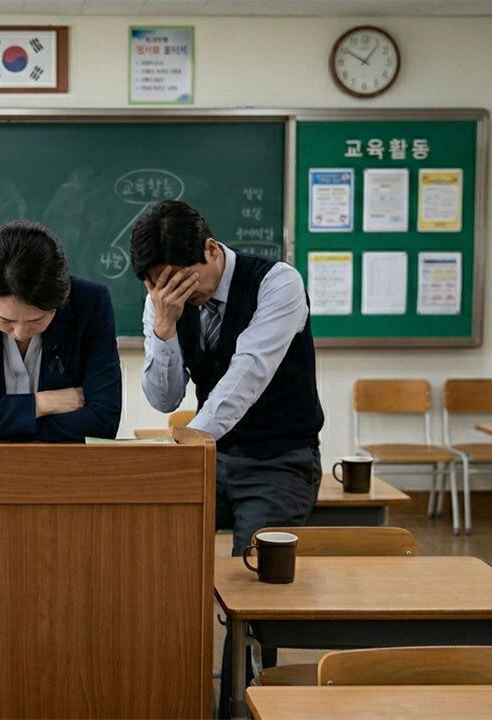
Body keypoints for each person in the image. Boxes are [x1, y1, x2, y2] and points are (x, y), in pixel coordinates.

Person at [129, 200, 324, 717]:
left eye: (176, 279)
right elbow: (164, 397)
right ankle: (165, 689)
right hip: (210, 457)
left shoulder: (277, 283)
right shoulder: (163, 301)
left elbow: (248, 374)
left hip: (279, 457)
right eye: (154, 285)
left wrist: (191, 437)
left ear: (211, 251)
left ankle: (240, 705)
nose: (168, 292)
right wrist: (165, 329)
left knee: (253, 594)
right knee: (149, 555)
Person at [0, 219, 121, 442]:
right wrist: (41, 403)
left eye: (36, 321)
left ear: (60, 303)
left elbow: (103, 423)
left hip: (64, 468)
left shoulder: (90, 303)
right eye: (5, 320)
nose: (20, 333)